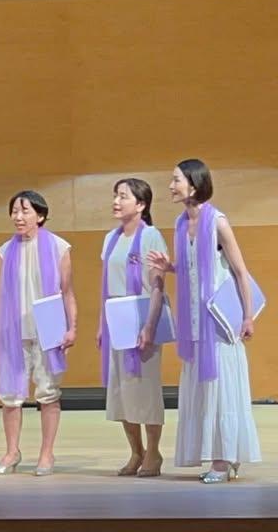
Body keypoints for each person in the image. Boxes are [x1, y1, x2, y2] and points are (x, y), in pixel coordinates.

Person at [147, 159, 262, 483]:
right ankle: (223, 456)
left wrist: (248, 316)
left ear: (194, 184)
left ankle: (224, 461)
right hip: (194, 323)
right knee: (203, 390)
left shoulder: (218, 222)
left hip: (219, 324)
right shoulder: (181, 223)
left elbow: (240, 271)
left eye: (176, 180)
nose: (171, 186)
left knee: (222, 390)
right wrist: (170, 267)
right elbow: (193, 269)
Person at [0, 191, 76, 477]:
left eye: (24, 211)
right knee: (10, 395)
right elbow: (1, 295)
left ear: (40, 215)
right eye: (14, 211)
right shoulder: (5, 251)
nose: (18, 216)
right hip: (14, 330)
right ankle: (12, 452)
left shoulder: (59, 247)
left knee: (48, 393)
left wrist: (72, 327)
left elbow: (67, 292)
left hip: (49, 328)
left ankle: (47, 453)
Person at [97, 179, 169, 477]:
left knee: (145, 388)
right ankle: (136, 452)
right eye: (115, 195)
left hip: (142, 315)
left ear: (141, 204)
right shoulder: (110, 238)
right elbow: (106, 286)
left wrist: (149, 326)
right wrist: (102, 325)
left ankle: (153, 452)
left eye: (123, 196)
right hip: (117, 319)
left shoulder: (151, 236)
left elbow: (157, 286)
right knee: (122, 390)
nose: (116, 201)